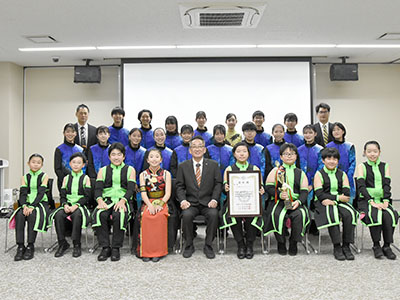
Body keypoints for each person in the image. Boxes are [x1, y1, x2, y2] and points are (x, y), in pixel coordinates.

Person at [176, 136, 222, 259]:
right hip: (191, 203)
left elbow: (218, 184)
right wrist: (183, 200)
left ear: (204, 149)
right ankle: (189, 244)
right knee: (186, 215)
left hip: (208, 202)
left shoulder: (213, 165)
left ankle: (208, 245)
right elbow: (179, 186)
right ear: (190, 150)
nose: (197, 149)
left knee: (213, 215)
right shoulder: (183, 166)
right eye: (194, 147)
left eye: (200, 146)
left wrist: (214, 199)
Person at [92, 143, 136, 261]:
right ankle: (105, 247)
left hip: (124, 200)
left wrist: (123, 201)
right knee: (100, 214)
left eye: (119, 154)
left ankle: (116, 248)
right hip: (107, 200)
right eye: (113, 155)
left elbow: (131, 189)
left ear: (124, 156)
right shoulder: (103, 170)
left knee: (119, 215)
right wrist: (100, 201)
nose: (116, 157)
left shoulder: (130, 170)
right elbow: (98, 189)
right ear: (109, 157)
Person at [220, 142, 264, 259]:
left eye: (244, 151)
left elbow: (260, 186)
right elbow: (225, 189)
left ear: (248, 154)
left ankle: (249, 244)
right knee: (232, 215)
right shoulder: (229, 169)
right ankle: (240, 244)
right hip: (234, 203)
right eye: (238, 151)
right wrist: (226, 188)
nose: (241, 154)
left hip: (251, 202)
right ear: (234, 154)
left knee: (253, 215)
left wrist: (261, 190)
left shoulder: (255, 169)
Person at [264, 143, 310, 256]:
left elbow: (304, 191)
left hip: (295, 202)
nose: (289, 156)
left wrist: (298, 202)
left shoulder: (300, 173)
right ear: (280, 157)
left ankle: (294, 242)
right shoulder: (276, 171)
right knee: (276, 215)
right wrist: (279, 194)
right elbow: (268, 187)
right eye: (286, 154)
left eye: (292, 154)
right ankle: (281, 242)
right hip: (278, 202)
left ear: (296, 156)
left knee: (300, 215)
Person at [313, 147, 358, 261]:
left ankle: (346, 246)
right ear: (323, 160)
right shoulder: (319, 174)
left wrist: (335, 199)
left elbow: (347, 195)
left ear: (338, 161)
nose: (332, 161)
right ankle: (337, 246)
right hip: (322, 203)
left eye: (334, 159)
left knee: (350, 214)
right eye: (328, 158)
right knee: (332, 214)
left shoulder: (342, 174)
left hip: (338, 202)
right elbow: (319, 194)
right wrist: (338, 197)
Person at [356, 141, 398, 259]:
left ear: (379, 152)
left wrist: (385, 200)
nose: (372, 154)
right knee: (375, 214)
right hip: (366, 200)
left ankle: (387, 245)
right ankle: (376, 245)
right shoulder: (362, 166)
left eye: (375, 151)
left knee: (391, 215)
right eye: (369, 152)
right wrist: (371, 201)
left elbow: (386, 184)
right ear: (365, 153)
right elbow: (361, 186)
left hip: (383, 199)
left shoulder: (385, 166)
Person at [48, 152, 91, 258]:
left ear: (83, 165)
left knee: (76, 215)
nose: (76, 165)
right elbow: (62, 195)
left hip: (80, 205)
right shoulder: (66, 178)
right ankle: (62, 243)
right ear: (70, 164)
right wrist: (65, 204)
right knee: (58, 215)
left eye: (79, 163)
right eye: (74, 162)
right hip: (67, 204)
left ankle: (77, 244)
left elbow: (87, 197)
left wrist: (76, 205)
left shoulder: (86, 178)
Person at [135, 149, 171, 262]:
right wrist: (149, 205)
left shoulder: (166, 174)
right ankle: (146, 251)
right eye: (151, 157)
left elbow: (168, 193)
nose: (154, 159)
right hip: (148, 200)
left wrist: (160, 204)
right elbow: (143, 193)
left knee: (159, 216)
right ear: (147, 160)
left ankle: (158, 251)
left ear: (161, 159)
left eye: (157, 157)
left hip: (162, 200)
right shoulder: (143, 174)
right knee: (146, 216)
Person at [11, 154, 49, 261]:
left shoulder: (44, 176)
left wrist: (32, 206)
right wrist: (24, 206)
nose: (36, 164)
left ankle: (30, 245)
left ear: (41, 165)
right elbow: (23, 193)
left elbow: (41, 193)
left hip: (40, 202)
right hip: (26, 203)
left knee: (33, 215)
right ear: (28, 163)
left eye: (38, 162)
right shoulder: (24, 177)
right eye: (33, 162)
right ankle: (20, 245)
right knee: (20, 215)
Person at [326, 122, 356, 202]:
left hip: (347, 178)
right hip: (331, 179)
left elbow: (352, 163)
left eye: (338, 129)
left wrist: (347, 178)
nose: (336, 132)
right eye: (334, 130)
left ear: (343, 131)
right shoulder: (327, 146)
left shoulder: (349, 146)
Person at [297, 125, 323, 208]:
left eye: (310, 133)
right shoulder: (299, 150)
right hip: (300, 184)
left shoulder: (320, 150)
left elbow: (321, 168)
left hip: (316, 184)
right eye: (305, 133)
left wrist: (312, 184)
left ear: (315, 134)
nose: (308, 135)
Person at [54, 123, 85, 193]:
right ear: (64, 133)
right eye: (68, 131)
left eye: (72, 131)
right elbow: (57, 169)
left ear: (76, 133)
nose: (70, 134)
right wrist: (67, 180)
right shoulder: (59, 149)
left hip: (79, 183)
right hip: (64, 182)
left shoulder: (80, 149)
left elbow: (84, 167)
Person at [125, 128, 146, 208]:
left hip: (140, 183)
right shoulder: (124, 150)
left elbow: (144, 170)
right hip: (126, 182)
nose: (136, 138)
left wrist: (138, 183)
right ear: (129, 137)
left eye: (138, 136)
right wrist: (131, 183)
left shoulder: (144, 152)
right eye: (134, 136)